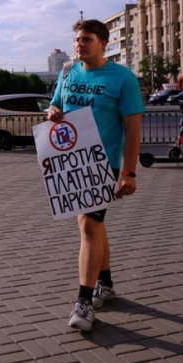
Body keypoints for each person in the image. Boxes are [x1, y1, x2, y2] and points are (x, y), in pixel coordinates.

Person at [48, 19, 144, 331]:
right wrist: (51, 112)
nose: (79, 44)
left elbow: (133, 129)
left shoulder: (122, 78)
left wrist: (129, 172)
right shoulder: (67, 72)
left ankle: (84, 303)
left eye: (86, 39)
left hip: (103, 163)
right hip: (72, 160)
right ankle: (106, 284)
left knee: (89, 224)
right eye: (77, 39)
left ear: (102, 43)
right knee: (91, 224)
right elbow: (54, 105)